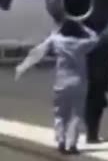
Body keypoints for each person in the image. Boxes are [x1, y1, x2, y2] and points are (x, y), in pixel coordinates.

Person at [14, 20, 99, 155]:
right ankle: (72, 144)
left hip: (61, 82)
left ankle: (61, 141)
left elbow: (38, 52)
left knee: (60, 114)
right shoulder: (82, 44)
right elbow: (95, 38)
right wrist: (84, 27)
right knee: (76, 115)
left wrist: (23, 67)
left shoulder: (57, 40)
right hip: (79, 82)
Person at [84, 46, 108, 143]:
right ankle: (92, 135)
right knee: (96, 110)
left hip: (88, 83)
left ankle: (91, 134)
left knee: (90, 109)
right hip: (98, 84)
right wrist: (106, 85)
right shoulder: (105, 53)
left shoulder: (85, 53)